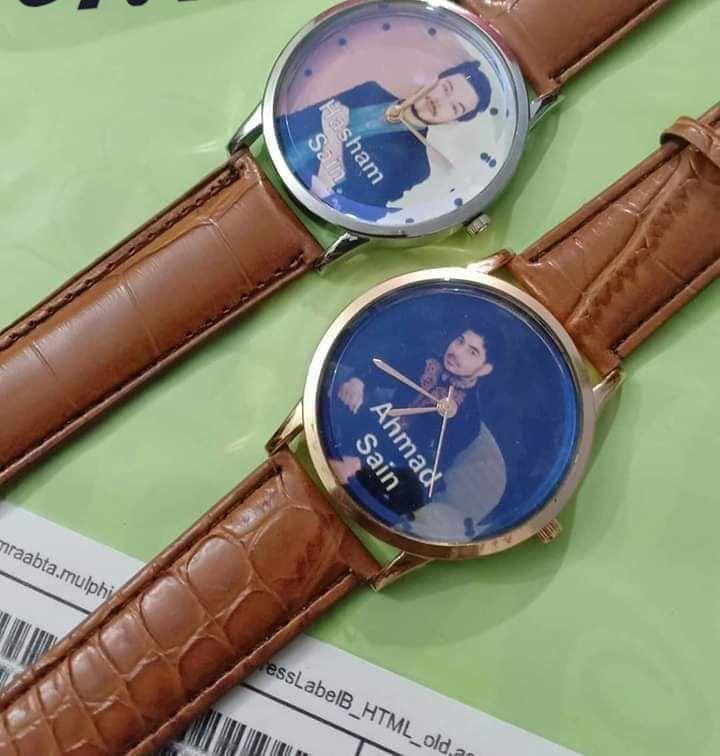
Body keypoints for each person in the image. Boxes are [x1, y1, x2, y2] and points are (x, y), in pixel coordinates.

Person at [330, 327, 506, 532]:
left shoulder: (467, 420)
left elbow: (425, 465)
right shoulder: (425, 362)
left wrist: (363, 465)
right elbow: (380, 367)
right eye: (459, 341)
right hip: (371, 429)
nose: (456, 352)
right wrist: (359, 381)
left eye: (472, 352)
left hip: (396, 472)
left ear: (485, 369)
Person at [277, 61, 492, 221]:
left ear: (453, 121)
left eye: (454, 108)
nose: (439, 101)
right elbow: (296, 119)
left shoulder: (415, 166)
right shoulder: (369, 90)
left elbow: (357, 208)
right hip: (274, 149)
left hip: (304, 213)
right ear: (434, 80)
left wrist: (333, 137)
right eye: (446, 89)